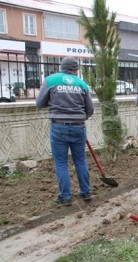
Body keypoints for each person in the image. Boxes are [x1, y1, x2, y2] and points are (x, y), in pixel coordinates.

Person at [36, 56, 94, 206]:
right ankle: (86, 192)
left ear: (62, 67)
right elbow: (90, 109)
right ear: (75, 69)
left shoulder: (51, 80)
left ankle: (65, 197)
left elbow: (39, 103)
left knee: (61, 162)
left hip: (58, 126)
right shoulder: (82, 84)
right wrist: (79, 119)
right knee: (80, 160)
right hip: (78, 127)